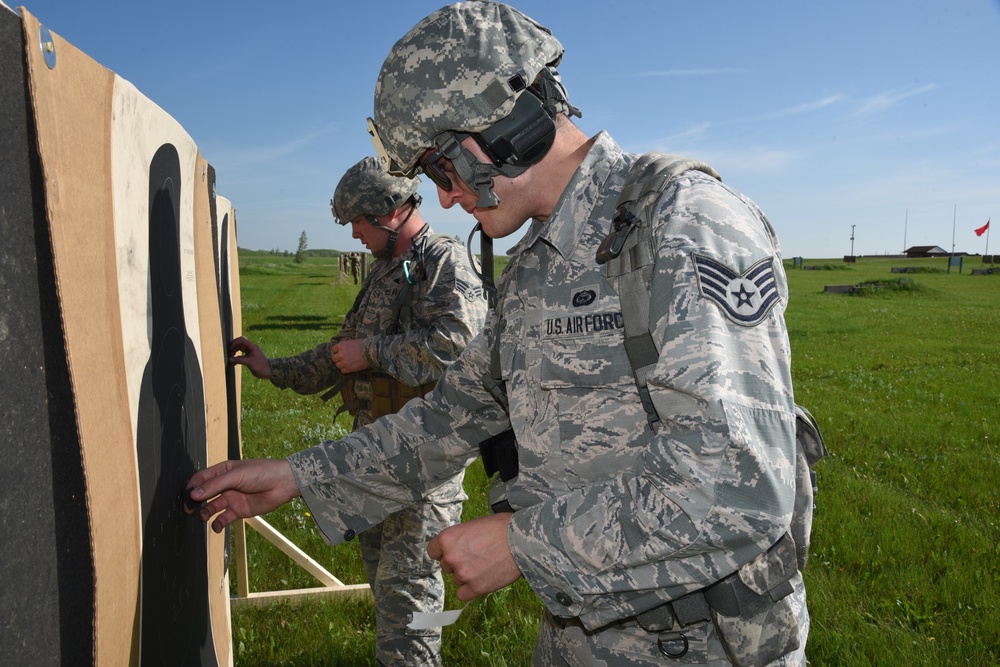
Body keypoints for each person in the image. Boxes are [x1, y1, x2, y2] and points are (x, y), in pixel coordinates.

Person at [188, 3, 810, 664]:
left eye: (440, 169)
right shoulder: (533, 271)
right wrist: (297, 474)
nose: (447, 198)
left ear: (508, 127)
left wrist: (522, 544)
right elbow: (447, 418)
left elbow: (742, 482)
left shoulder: (684, 224)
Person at [227, 156, 487, 666]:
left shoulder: (445, 262)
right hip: (371, 461)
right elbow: (341, 353)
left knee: (413, 610)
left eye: (358, 224)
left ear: (389, 213)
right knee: (390, 600)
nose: (353, 237)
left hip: (421, 472)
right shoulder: (388, 270)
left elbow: (460, 347)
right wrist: (272, 368)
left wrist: (374, 353)